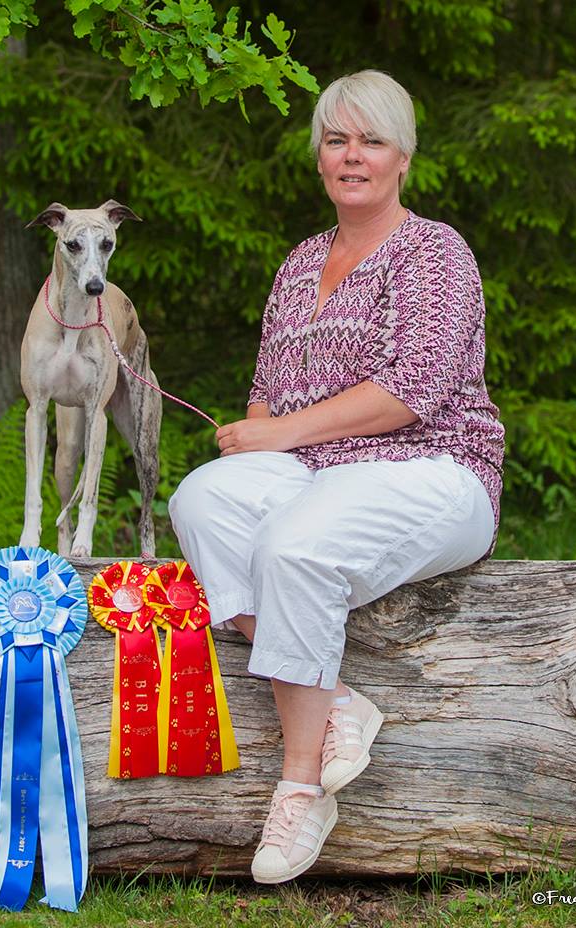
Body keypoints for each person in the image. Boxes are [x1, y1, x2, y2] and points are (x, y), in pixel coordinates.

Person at [167, 69, 505, 885]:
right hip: (317, 475)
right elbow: (268, 389)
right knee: (202, 499)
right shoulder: (299, 263)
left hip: (435, 472)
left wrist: (276, 434)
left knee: (291, 545)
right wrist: (253, 438)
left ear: (403, 158)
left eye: (372, 140)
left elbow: (411, 390)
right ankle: (340, 699)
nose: (352, 156)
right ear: (319, 156)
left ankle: (300, 787)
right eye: (336, 139)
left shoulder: (434, 251)